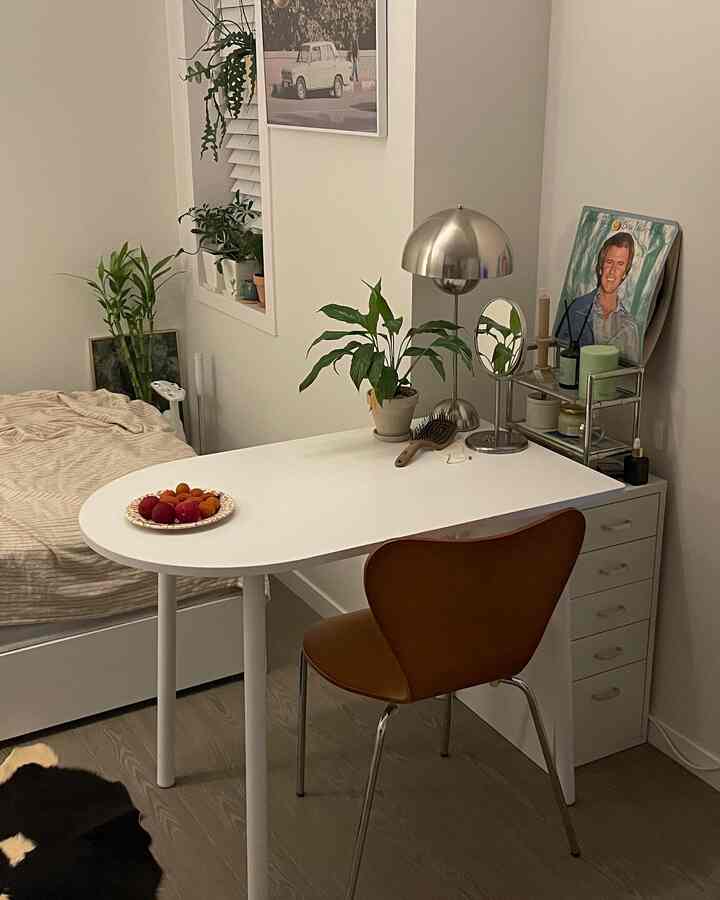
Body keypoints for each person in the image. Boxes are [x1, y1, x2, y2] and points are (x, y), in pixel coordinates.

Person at [556, 232, 641, 363]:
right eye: (609, 262)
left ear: (625, 273)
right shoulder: (577, 309)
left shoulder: (630, 327)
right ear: (601, 267)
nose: (612, 271)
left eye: (620, 264)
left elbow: (631, 372)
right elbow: (560, 359)